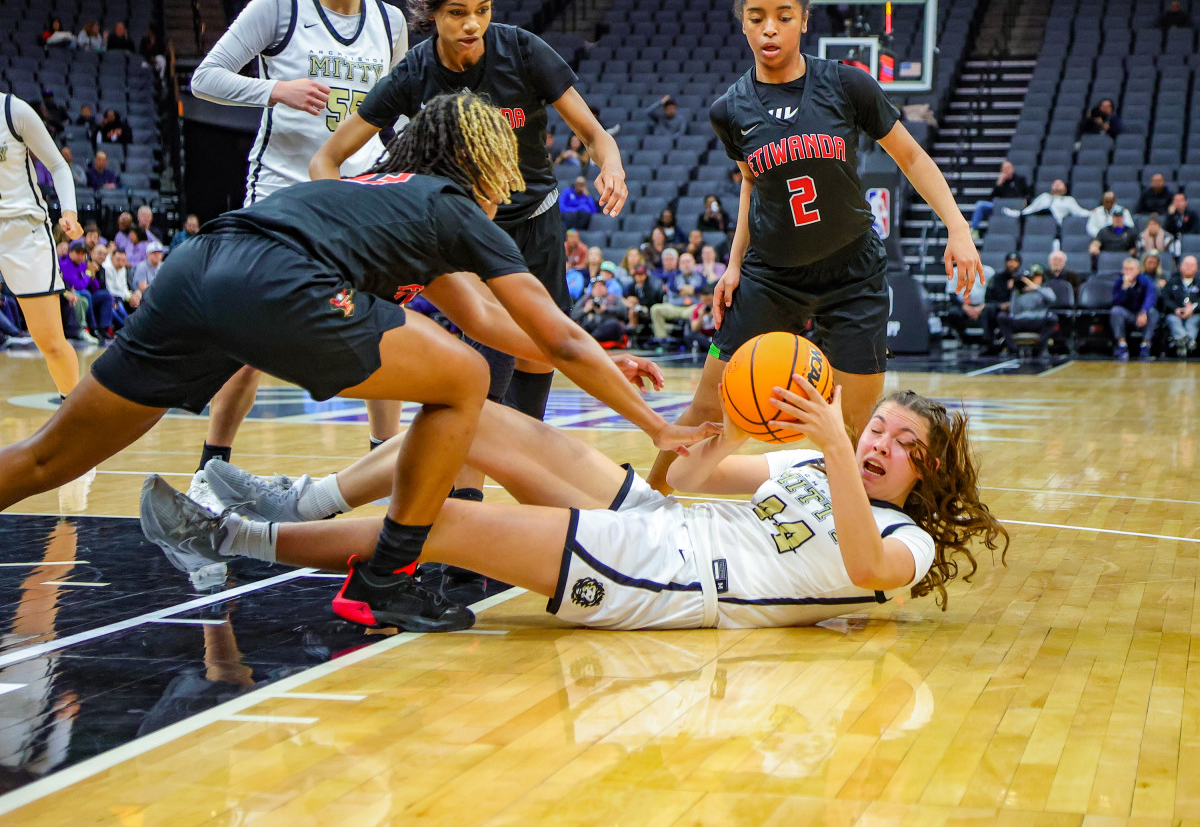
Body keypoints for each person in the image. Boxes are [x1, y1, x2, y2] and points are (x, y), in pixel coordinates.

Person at [0, 94, 709, 631]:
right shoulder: (451, 203)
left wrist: (612, 368)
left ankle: (373, 564)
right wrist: (653, 423)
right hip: (275, 278)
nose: (509, 182)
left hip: (198, 269)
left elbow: (496, 323)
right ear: (478, 160)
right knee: (463, 377)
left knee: (47, 458)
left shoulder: (390, 202)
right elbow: (553, 341)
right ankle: (385, 578)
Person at [143, 385, 1007, 630]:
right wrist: (713, 433)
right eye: (881, 429)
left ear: (925, 481)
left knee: (444, 524)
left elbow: (866, 570)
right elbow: (696, 484)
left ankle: (233, 540)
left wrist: (832, 455)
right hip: (670, 523)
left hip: (678, 579)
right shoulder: (816, 467)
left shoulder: (902, 537)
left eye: (904, 448)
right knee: (478, 421)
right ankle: (307, 496)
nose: (881, 444)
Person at [648, 0, 982, 492]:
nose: (770, 29)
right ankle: (647, 504)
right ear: (743, 24)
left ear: (804, 19)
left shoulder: (847, 84)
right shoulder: (728, 110)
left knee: (854, 428)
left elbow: (912, 156)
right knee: (708, 403)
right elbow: (754, 186)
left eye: (783, 17)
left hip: (853, 275)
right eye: (757, 18)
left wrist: (958, 227)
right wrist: (733, 265)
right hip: (768, 277)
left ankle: (849, 539)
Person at [308, 0, 629, 510]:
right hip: (467, 232)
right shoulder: (414, 71)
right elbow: (326, 158)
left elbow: (596, 134)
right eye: (457, 12)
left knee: (537, 357)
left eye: (482, 9)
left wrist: (612, 165)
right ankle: (465, 505)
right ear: (430, 13)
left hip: (535, 224)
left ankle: (523, 492)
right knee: (483, 366)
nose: (472, 24)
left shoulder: (522, 50)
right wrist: (343, 218)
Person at [188, 0, 410, 472]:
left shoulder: (391, 21)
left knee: (383, 326)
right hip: (283, 191)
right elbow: (204, 79)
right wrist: (275, 90)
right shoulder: (279, 6)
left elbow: (395, 109)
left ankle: (384, 466)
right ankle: (210, 468)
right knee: (249, 337)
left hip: (362, 195)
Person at [0, 92, 85, 398]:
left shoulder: (12, 110)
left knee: (50, 341)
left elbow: (58, 165)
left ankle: (75, 418)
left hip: (23, 232)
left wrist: (69, 213)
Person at [59, 238, 114, 342]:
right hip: (68, 294)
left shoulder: (83, 264)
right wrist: (88, 273)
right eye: (78, 253)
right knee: (86, 295)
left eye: (83, 253)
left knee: (106, 295)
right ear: (70, 252)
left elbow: (95, 288)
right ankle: (92, 328)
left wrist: (92, 276)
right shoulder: (65, 264)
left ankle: (104, 328)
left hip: (85, 294)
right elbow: (78, 285)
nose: (80, 256)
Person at [995, 264, 1056, 358]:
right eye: (1033, 277)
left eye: (1037, 277)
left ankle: (1038, 349)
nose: (1035, 279)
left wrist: (1036, 288)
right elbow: (1013, 311)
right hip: (1020, 321)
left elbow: (1052, 299)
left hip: (1037, 321)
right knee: (1001, 316)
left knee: (1052, 318)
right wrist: (1015, 292)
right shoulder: (1020, 292)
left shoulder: (1045, 290)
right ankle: (1012, 348)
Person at [1111, 256, 1158, 361]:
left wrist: (1143, 311)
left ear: (1138, 270)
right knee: (1115, 311)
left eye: (1131, 269)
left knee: (1153, 312)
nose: (1127, 272)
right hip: (1127, 313)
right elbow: (1115, 302)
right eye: (1125, 269)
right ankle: (1121, 345)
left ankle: (1145, 345)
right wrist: (1124, 288)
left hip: (1142, 312)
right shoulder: (1119, 282)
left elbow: (1150, 297)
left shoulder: (1145, 280)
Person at [968, 160, 1029, 235]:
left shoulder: (1020, 180)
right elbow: (992, 197)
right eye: (1004, 168)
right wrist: (999, 184)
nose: (1006, 170)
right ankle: (974, 230)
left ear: (1012, 169)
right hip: (1000, 207)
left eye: (1008, 168)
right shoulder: (1000, 182)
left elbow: (1027, 194)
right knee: (980, 205)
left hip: (1014, 207)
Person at [1002, 178, 1089, 226]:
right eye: (1055, 183)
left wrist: (1091, 213)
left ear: (1065, 188)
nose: (1057, 184)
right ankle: (1017, 214)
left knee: (1048, 210)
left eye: (1060, 183)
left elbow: (1079, 212)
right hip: (1037, 218)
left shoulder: (1069, 200)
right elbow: (1032, 208)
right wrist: (1022, 213)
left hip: (1054, 220)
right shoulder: (1044, 196)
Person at [1162, 254, 1199, 357]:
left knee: (1193, 322)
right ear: (1180, 266)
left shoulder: (1199, 282)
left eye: (1191, 265)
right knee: (1173, 320)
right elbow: (1165, 298)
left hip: (1194, 314)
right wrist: (1176, 309)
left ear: (1196, 268)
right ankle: (1188, 340)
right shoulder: (1172, 281)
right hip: (1175, 314)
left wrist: (1192, 308)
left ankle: (1182, 341)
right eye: (1186, 264)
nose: (1188, 267)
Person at [570, 277, 626, 343]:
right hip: (590, 326)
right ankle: (589, 339)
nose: (598, 289)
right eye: (595, 287)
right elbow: (572, 316)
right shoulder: (586, 298)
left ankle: (590, 340)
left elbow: (624, 313)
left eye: (601, 286)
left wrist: (606, 309)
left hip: (607, 327)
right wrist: (585, 310)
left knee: (614, 324)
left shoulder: (613, 297)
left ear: (606, 288)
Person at [623, 263, 663, 344]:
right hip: (634, 307)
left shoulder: (651, 286)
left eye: (641, 274)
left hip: (648, 309)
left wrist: (638, 301)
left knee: (633, 311)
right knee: (631, 310)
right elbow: (626, 296)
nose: (639, 277)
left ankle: (633, 338)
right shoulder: (632, 286)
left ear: (645, 275)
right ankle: (631, 336)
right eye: (637, 275)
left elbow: (652, 301)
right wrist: (629, 300)